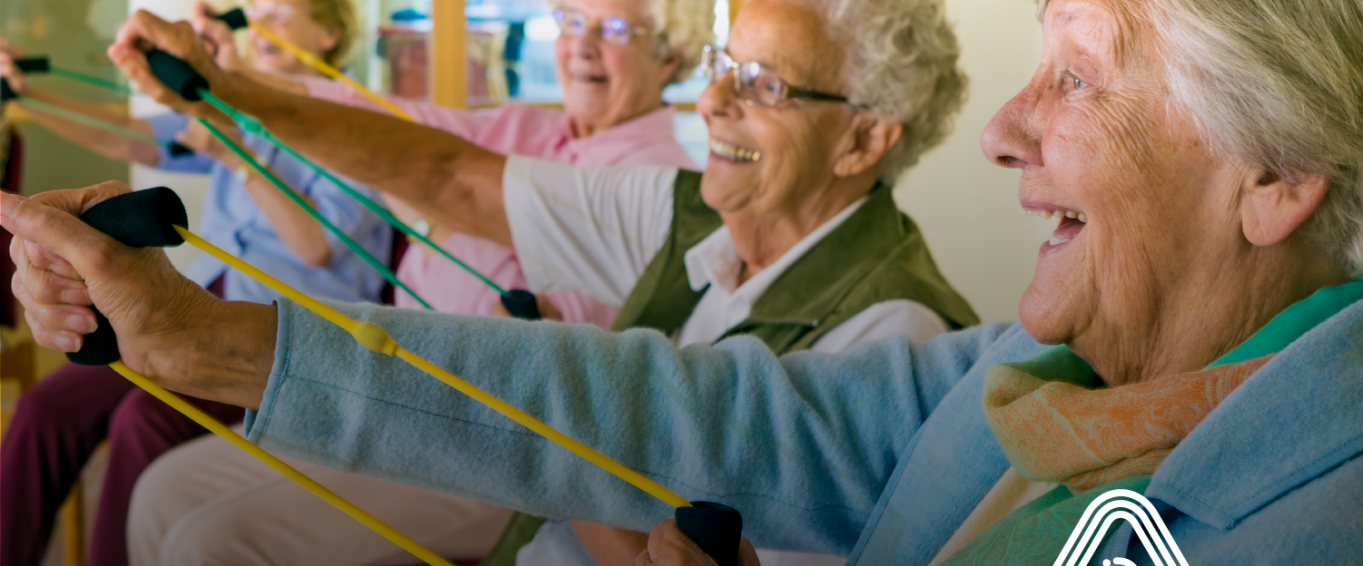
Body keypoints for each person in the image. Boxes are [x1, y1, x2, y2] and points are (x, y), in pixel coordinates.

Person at [22, 0, 1363, 562]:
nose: (1007, 129)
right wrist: (209, 340)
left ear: (1272, 174)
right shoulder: (1013, 369)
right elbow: (687, 408)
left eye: (1077, 73)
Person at [123, 0, 979, 562]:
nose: (712, 101)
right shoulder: (689, 213)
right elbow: (452, 174)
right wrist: (228, 93)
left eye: (762, 84)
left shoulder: (893, 334)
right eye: (724, 64)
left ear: (863, 141)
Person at [123, 0, 710, 562]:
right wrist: (228, 84)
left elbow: (546, 351)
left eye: (612, 30)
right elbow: (398, 126)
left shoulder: (659, 180)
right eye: (571, 20)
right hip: (397, 392)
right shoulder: (533, 128)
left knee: (206, 542)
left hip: (497, 443)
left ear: (669, 54)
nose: (580, 44)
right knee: (160, 493)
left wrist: (234, 90)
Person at [0, 0, 392, 565]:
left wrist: (238, 157)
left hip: (288, 342)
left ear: (331, 33)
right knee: (46, 409)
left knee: (143, 420)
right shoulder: (238, 111)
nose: (260, 26)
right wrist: (30, 96)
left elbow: (315, 244)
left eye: (280, 14)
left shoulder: (354, 124)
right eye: (254, 11)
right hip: (196, 312)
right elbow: (126, 137)